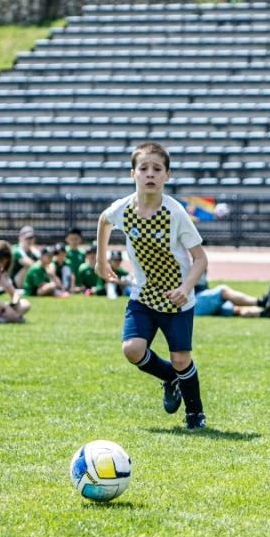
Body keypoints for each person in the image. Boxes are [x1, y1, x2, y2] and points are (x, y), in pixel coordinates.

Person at [97, 141, 211, 430]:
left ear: (167, 176)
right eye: (143, 168)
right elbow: (104, 220)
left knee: (181, 358)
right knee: (132, 349)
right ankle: (168, 377)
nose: (150, 174)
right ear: (132, 173)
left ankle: (195, 413)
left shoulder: (175, 213)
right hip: (143, 294)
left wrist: (185, 289)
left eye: (157, 169)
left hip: (177, 298)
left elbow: (200, 259)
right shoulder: (124, 208)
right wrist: (101, 261)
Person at [195, 284, 270, 318]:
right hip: (193, 301)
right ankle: (262, 302)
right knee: (223, 291)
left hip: (196, 302)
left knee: (236, 309)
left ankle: (264, 313)